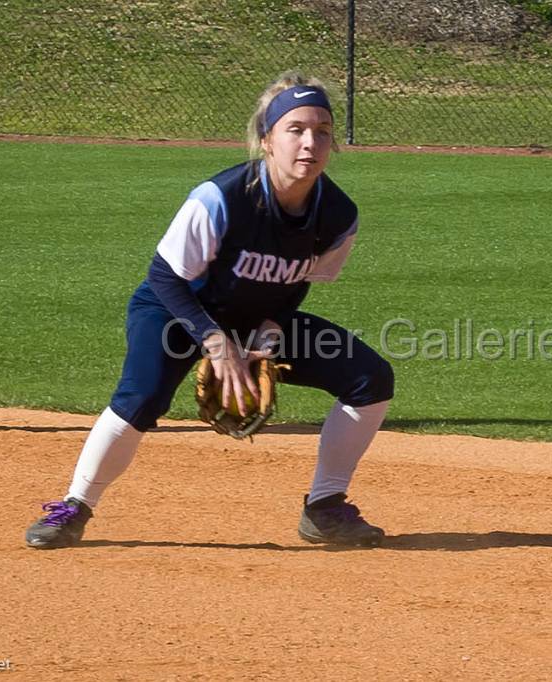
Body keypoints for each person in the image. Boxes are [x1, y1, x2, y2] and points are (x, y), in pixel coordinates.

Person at [25, 72, 394, 549]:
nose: (310, 142)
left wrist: (269, 332)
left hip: (251, 318)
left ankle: (324, 508)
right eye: (295, 129)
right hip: (174, 312)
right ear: (267, 139)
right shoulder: (220, 198)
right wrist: (217, 343)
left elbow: (296, 281)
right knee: (142, 397)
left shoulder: (339, 216)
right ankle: (73, 507)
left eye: (322, 131)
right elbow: (164, 275)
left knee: (370, 378)